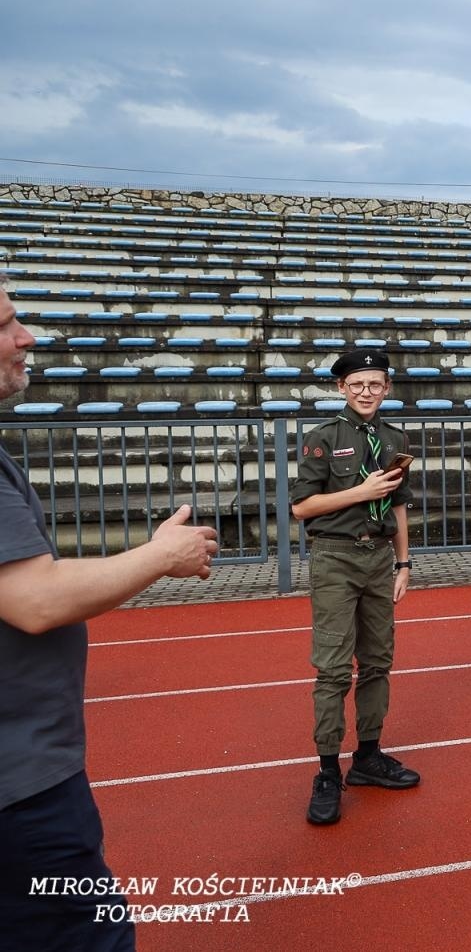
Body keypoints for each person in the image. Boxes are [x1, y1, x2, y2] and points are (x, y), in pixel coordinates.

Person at [0, 285, 218, 950]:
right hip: (20, 791)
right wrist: (159, 556)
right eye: (7, 323)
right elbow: (34, 599)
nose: (26, 337)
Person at [289, 350, 420, 826]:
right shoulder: (323, 439)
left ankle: (367, 756)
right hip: (335, 558)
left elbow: (400, 504)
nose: (367, 391)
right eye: (358, 384)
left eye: (376, 384)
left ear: (386, 388)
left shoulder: (393, 437)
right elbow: (303, 508)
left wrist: (404, 562)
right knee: (332, 669)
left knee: (379, 661)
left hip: (378, 559)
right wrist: (359, 493)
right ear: (342, 388)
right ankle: (327, 770)